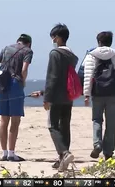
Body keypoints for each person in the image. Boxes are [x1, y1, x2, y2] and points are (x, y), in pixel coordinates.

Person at [83, 31, 115, 160]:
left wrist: (86, 94)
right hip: (113, 93)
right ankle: (108, 152)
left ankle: (97, 144)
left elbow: (88, 76)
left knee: (97, 120)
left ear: (98, 41)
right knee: (111, 123)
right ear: (110, 42)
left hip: (97, 93)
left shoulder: (91, 56)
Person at [0, 34, 33, 162]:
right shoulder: (27, 51)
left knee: (4, 120)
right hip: (15, 85)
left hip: (3, 84)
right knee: (15, 120)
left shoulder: (6, 48)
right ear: (29, 43)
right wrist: (23, 82)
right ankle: (12, 153)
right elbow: (24, 70)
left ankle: (4, 152)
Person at [43, 24, 78, 171]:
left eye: (53, 37)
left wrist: (47, 97)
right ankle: (62, 159)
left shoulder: (55, 54)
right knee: (65, 125)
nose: (52, 40)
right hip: (69, 95)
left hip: (57, 96)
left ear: (58, 37)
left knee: (52, 126)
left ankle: (64, 153)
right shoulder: (72, 55)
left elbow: (52, 77)